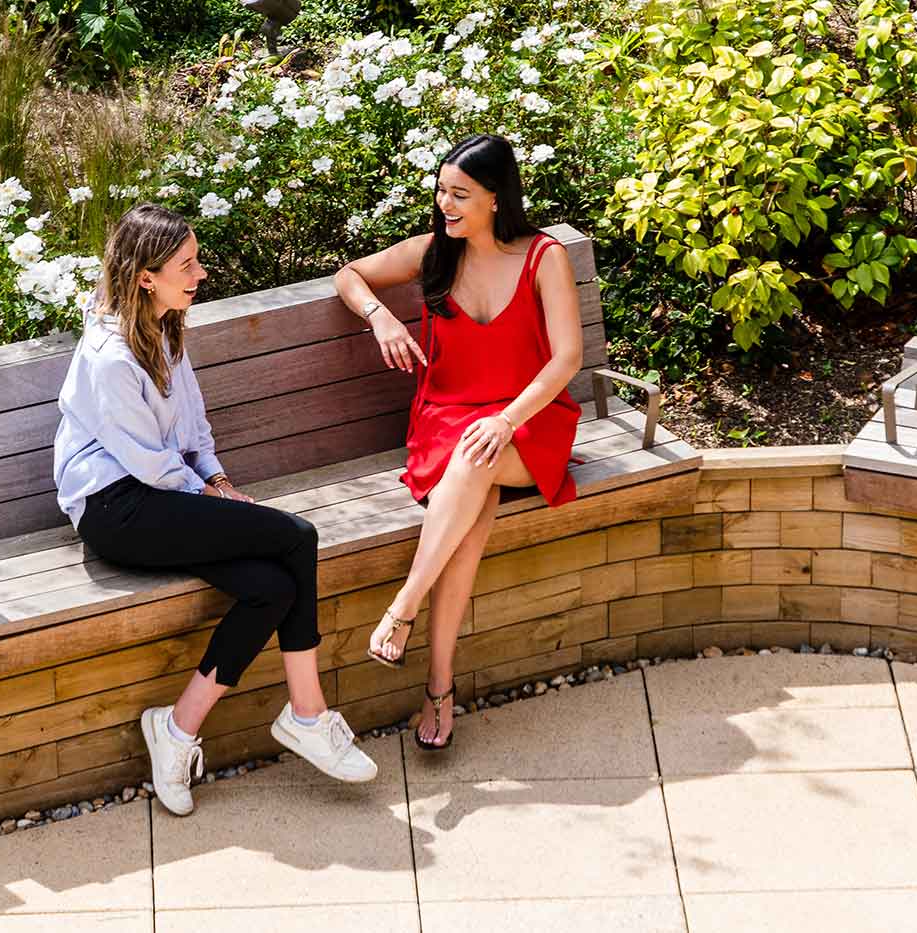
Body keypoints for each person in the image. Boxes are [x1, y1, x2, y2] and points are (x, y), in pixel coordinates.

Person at [54, 203, 377, 817]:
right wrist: (212, 499)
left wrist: (219, 481)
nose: (200, 273)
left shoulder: (165, 326)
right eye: (187, 265)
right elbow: (149, 463)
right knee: (297, 537)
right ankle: (307, 713)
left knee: (270, 588)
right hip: (116, 508)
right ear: (145, 276)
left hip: (162, 497)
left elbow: (193, 429)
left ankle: (176, 729)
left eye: (196, 260)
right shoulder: (110, 356)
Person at [333, 135, 584, 751]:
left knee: (478, 459)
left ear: (496, 199)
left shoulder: (544, 257)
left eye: (460, 194)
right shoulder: (434, 254)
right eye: (441, 191)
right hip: (447, 419)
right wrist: (380, 316)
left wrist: (506, 421)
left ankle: (404, 608)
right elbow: (350, 275)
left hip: (528, 421)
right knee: (473, 498)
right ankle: (439, 685)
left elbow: (567, 359)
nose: (445, 204)